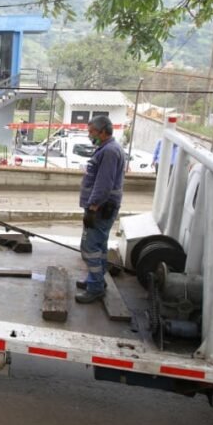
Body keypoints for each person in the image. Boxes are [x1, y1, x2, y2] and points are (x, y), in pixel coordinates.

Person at [76, 115, 125, 304]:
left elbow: (104, 184)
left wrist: (92, 207)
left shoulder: (110, 151)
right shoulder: (106, 149)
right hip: (103, 207)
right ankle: (96, 281)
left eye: (92, 132)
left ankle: (95, 288)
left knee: (90, 247)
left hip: (100, 208)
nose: (90, 135)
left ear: (103, 132)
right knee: (100, 246)